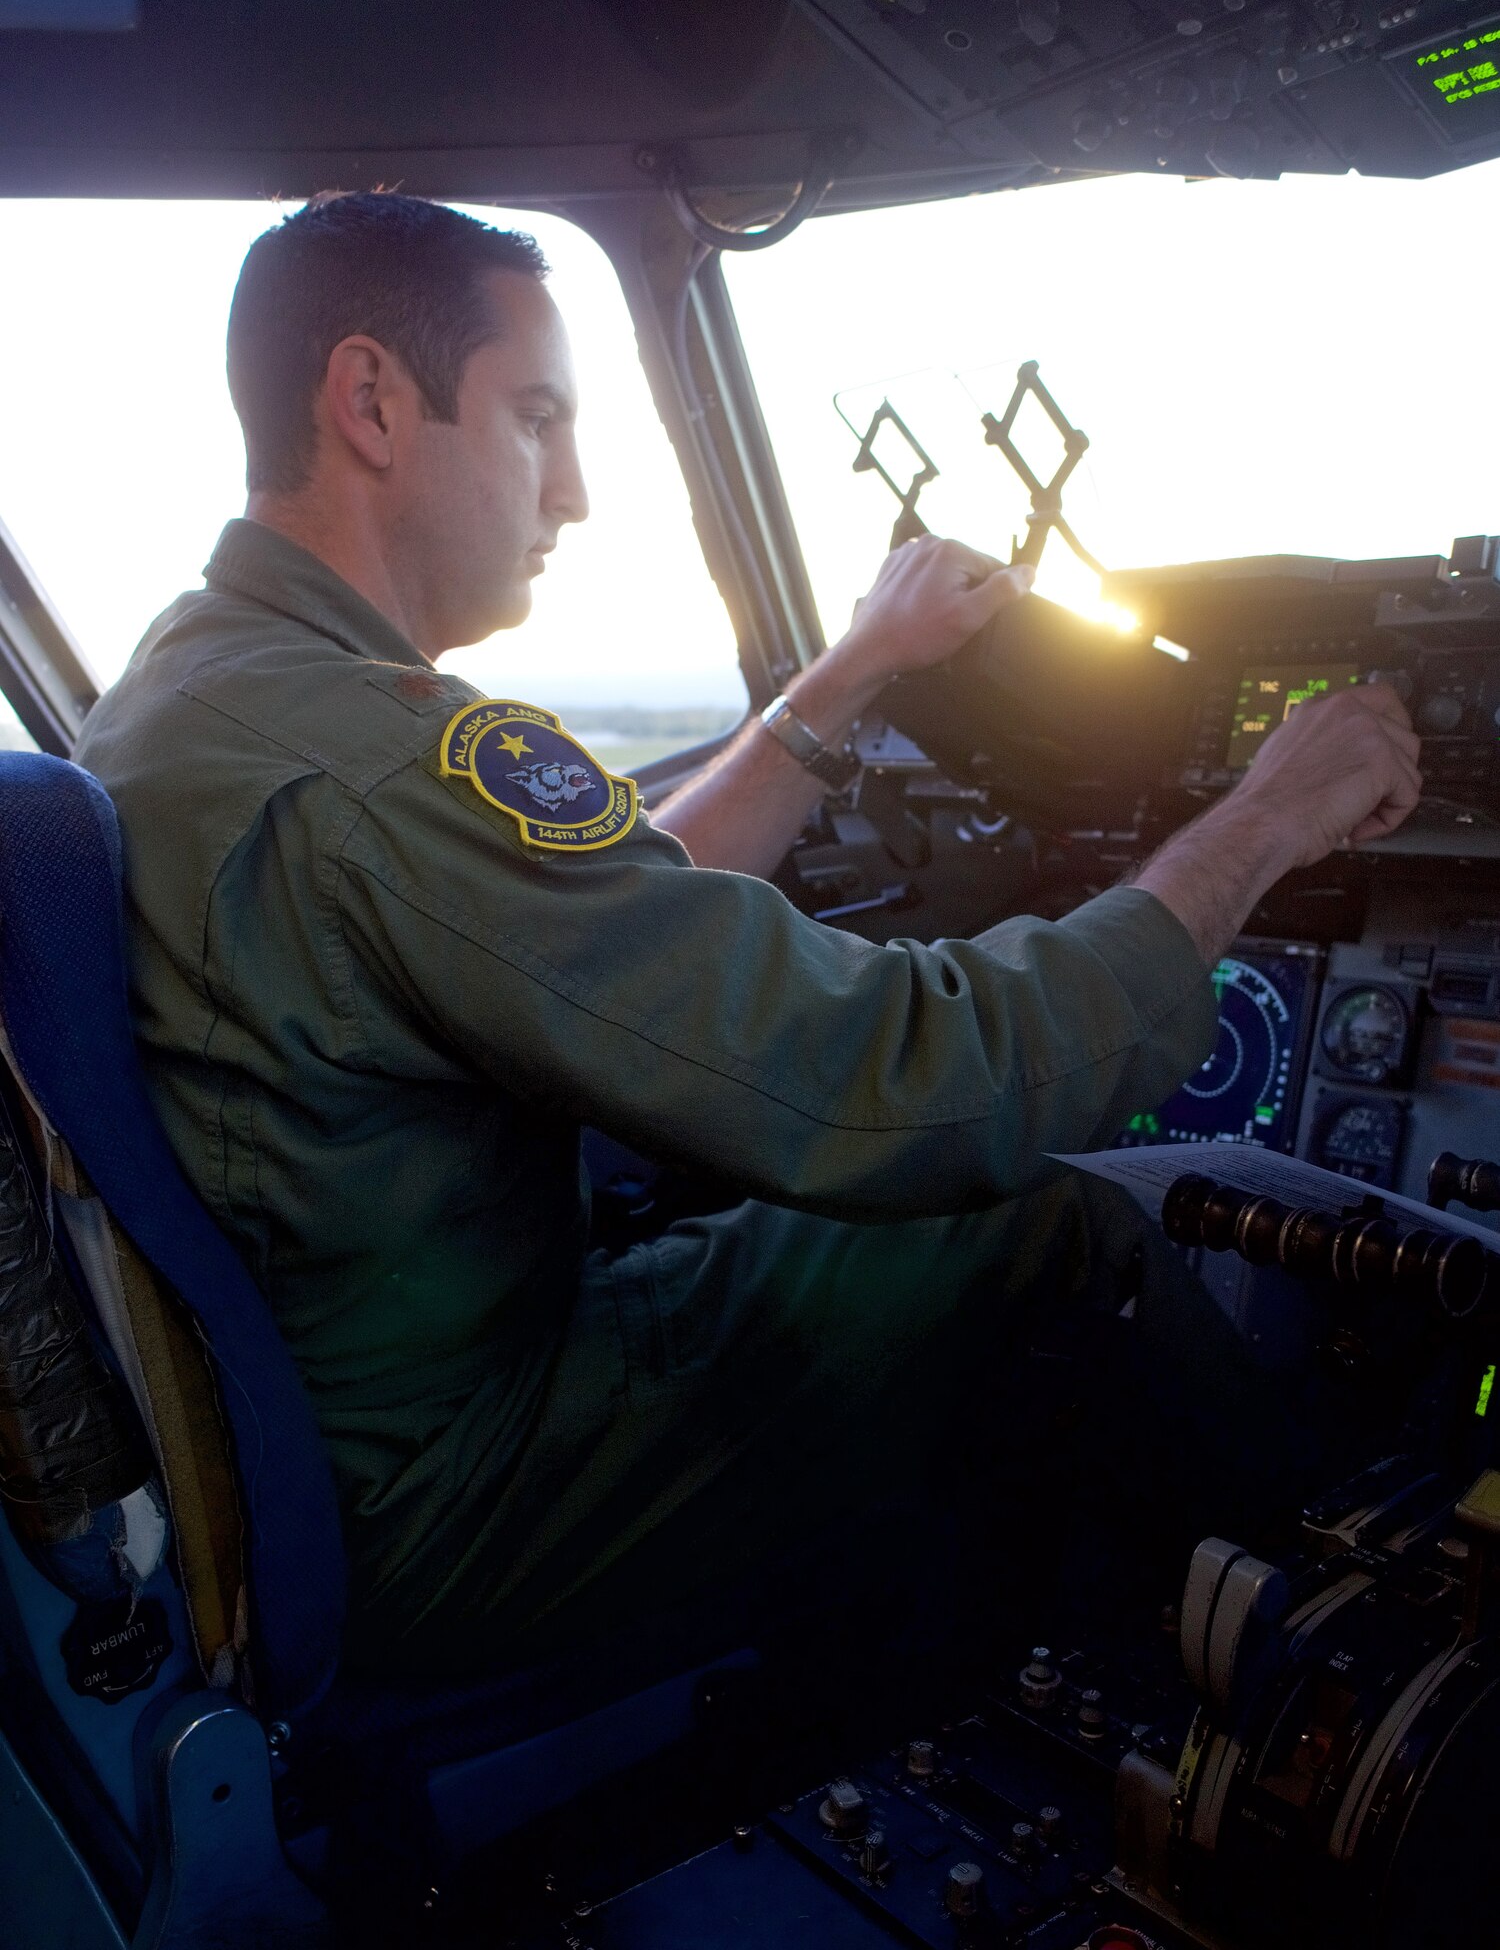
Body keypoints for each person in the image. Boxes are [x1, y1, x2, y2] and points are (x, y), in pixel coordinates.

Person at [74, 194, 1421, 1676]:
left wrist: (844, 678)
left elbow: (594, 914)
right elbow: (904, 1084)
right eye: (538, 419)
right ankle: (1371, 1660)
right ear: (373, 401)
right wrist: (1267, 818)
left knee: (754, 1220)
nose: (574, 490)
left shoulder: (195, 684)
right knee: (1048, 1229)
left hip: (318, 1456)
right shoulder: (378, 762)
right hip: (437, 1498)